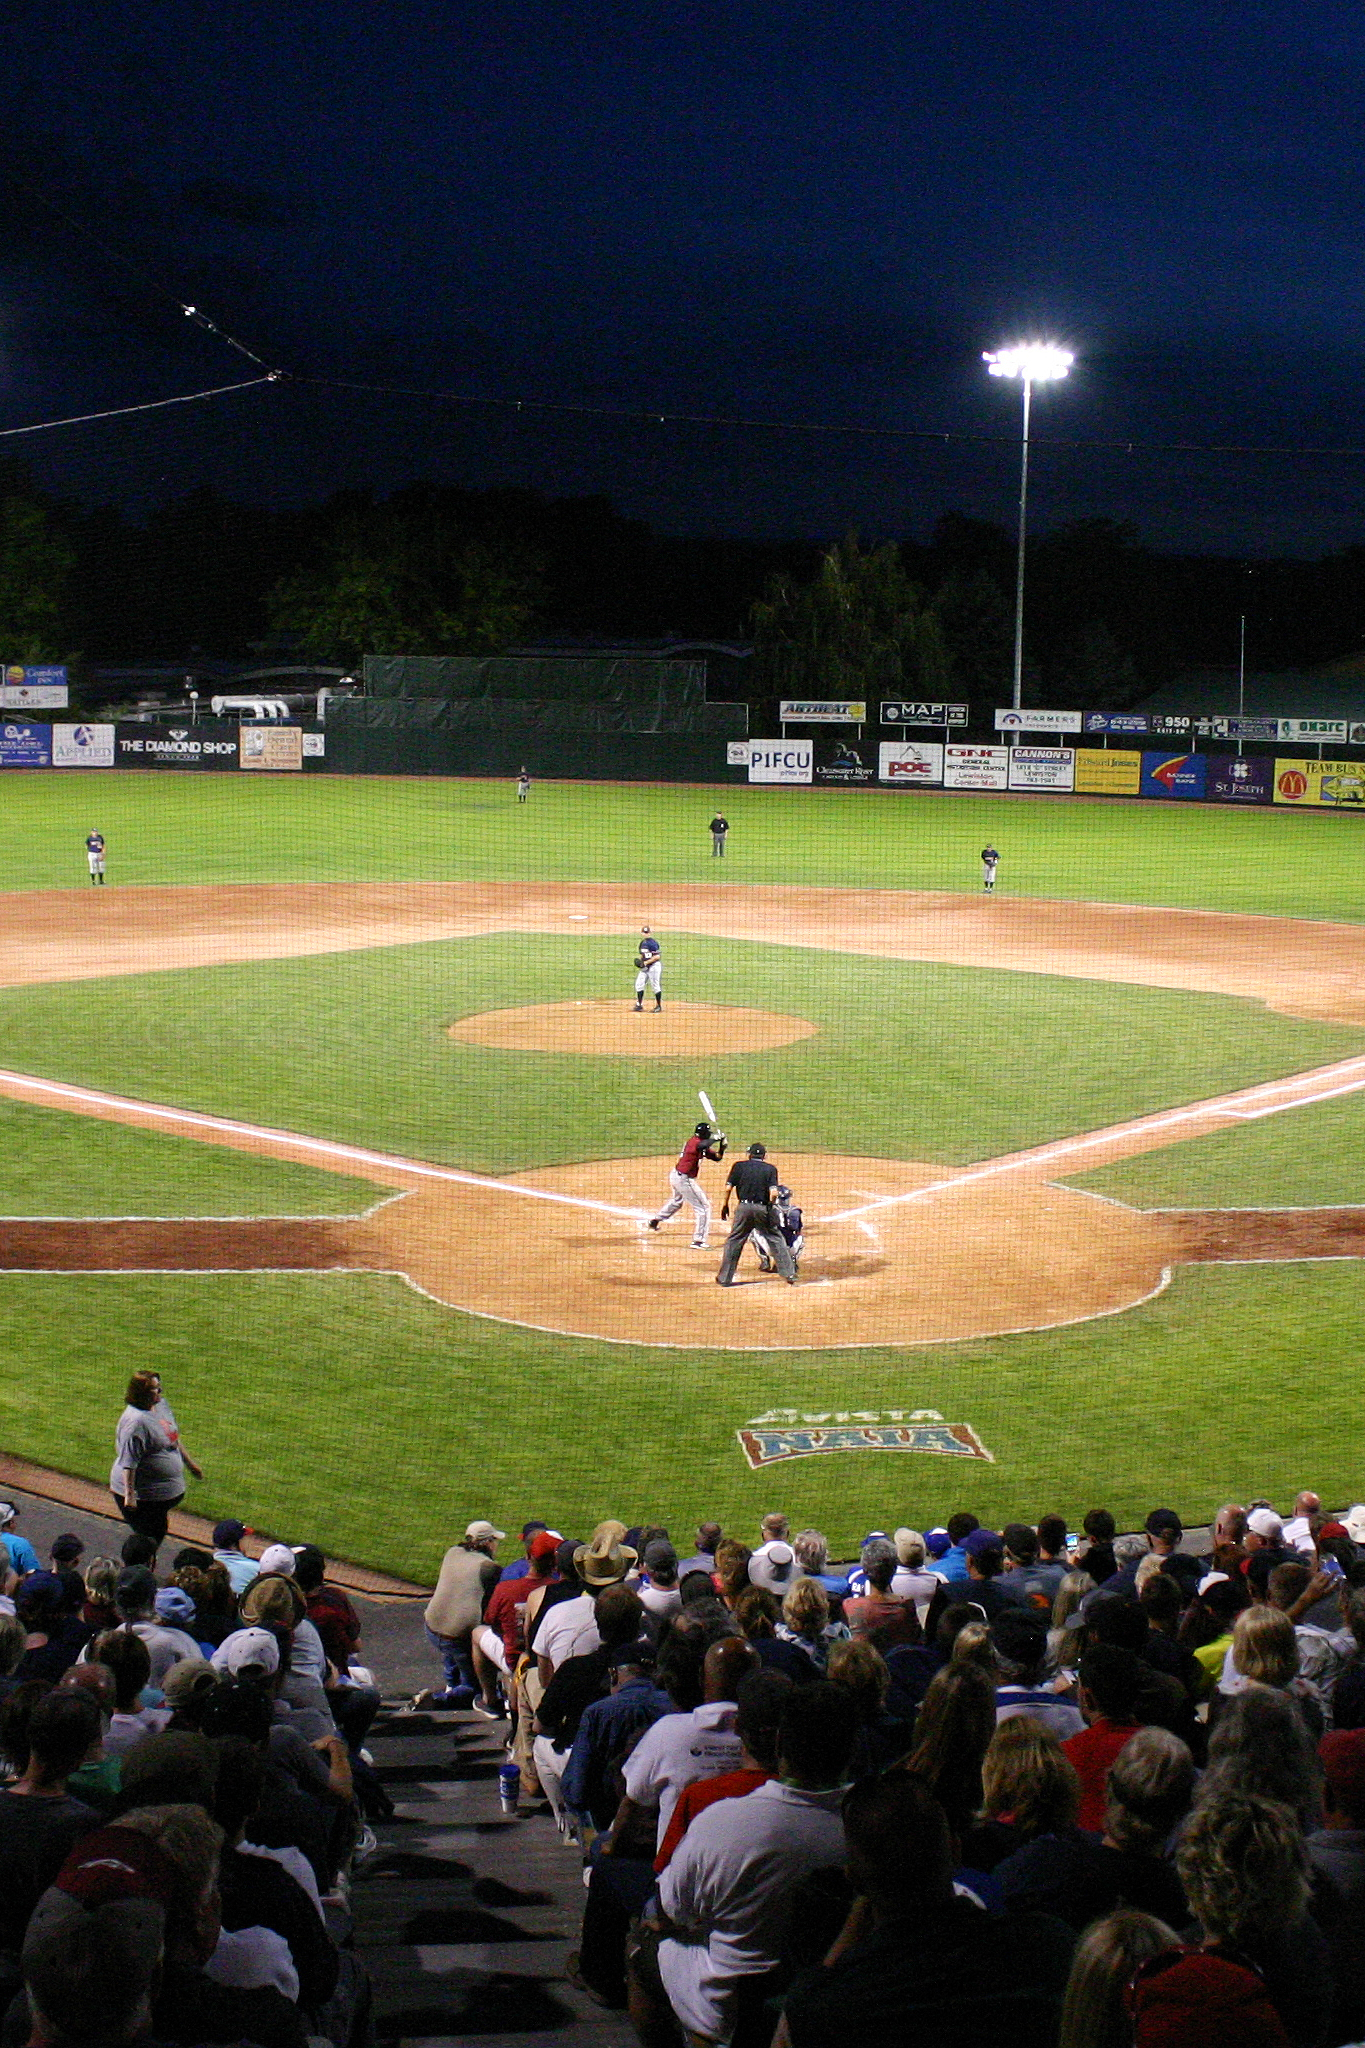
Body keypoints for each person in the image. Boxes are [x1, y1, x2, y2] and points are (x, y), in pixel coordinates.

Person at [774, 1768, 1076, 2048]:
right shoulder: (1048, 1947)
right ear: (956, 1851)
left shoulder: (825, 2005)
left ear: (855, 1879)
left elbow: (791, 2029)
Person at [108, 1370, 202, 1545]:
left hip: (158, 1496)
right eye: (154, 1389)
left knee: (155, 1534)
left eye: (158, 1387)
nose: (160, 1391)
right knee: (149, 1539)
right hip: (143, 1497)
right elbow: (129, 1462)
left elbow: (172, 1437)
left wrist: (191, 1465)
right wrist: (130, 1495)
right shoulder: (136, 1423)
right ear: (141, 1393)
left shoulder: (160, 1406)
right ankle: (140, 1566)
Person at [421, 1519, 504, 1708]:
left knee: (451, 1647)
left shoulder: (452, 1552)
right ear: (488, 1542)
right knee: (474, 1686)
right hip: (457, 1638)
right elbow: (492, 1610)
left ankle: (451, 1683)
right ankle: (437, 1701)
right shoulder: (489, 1568)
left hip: (431, 1627)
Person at [716, 1142, 796, 1286]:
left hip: (743, 1208)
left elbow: (728, 1188)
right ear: (764, 1156)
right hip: (762, 1208)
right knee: (775, 1239)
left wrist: (725, 1205)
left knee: (734, 1241)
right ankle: (789, 1273)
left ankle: (724, 1279)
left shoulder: (738, 1166)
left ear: (749, 1155)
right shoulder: (771, 1169)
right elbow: (773, 1193)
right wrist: (770, 1208)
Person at [648, 1120, 728, 1250]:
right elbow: (701, 1146)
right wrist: (715, 1138)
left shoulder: (702, 1144)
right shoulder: (694, 1142)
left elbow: (717, 1158)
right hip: (683, 1179)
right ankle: (698, 1241)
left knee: (676, 1201)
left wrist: (722, 1148)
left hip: (677, 1176)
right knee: (703, 1207)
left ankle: (655, 1220)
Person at [757, 1183, 804, 1275]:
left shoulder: (769, 1210)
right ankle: (792, 1261)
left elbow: (761, 1228)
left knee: (754, 1232)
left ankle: (765, 1260)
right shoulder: (796, 1210)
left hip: (772, 1248)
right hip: (790, 1249)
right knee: (800, 1237)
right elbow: (798, 1230)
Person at [633, 926, 662, 1012]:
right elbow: (642, 955)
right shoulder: (642, 943)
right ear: (642, 933)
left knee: (655, 986)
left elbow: (657, 956)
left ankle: (658, 1006)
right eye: (644, 933)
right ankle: (639, 1005)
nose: (646, 934)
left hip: (654, 966)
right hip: (645, 967)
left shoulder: (653, 943)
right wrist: (641, 962)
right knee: (639, 984)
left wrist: (646, 962)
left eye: (647, 933)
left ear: (650, 933)